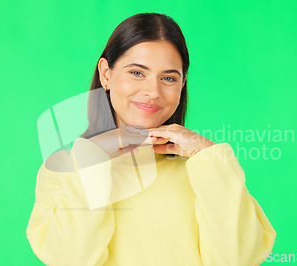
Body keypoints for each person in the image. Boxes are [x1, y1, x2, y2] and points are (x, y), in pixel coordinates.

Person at [26, 12, 276, 265]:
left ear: (182, 85)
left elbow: (239, 260)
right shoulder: (65, 169)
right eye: (137, 73)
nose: (152, 92)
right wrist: (93, 156)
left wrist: (208, 153)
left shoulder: (206, 170)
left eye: (168, 78)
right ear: (106, 74)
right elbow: (70, 260)